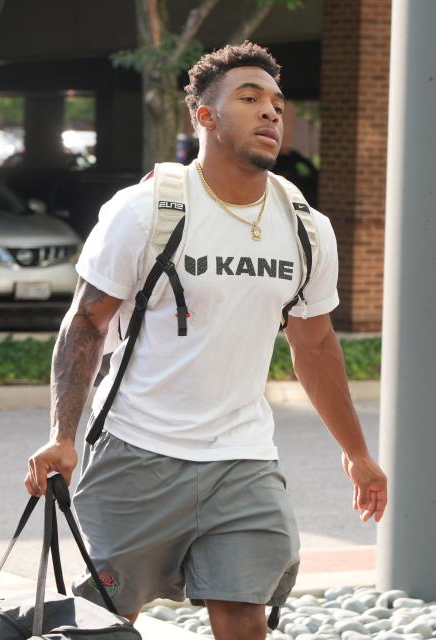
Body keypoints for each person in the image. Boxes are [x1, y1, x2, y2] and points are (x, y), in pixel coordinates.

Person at [24, 41, 387, 640]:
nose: (271, 112)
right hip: (138, 449)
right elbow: (85, 322)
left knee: (245, 615)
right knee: (104, 621)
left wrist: (355, 451)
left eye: (276, 102)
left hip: (242, 458)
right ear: (205, 116)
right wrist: (63, 435)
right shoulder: (143, 212)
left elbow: (315, 345)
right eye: (250, 98)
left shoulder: (306, 230)